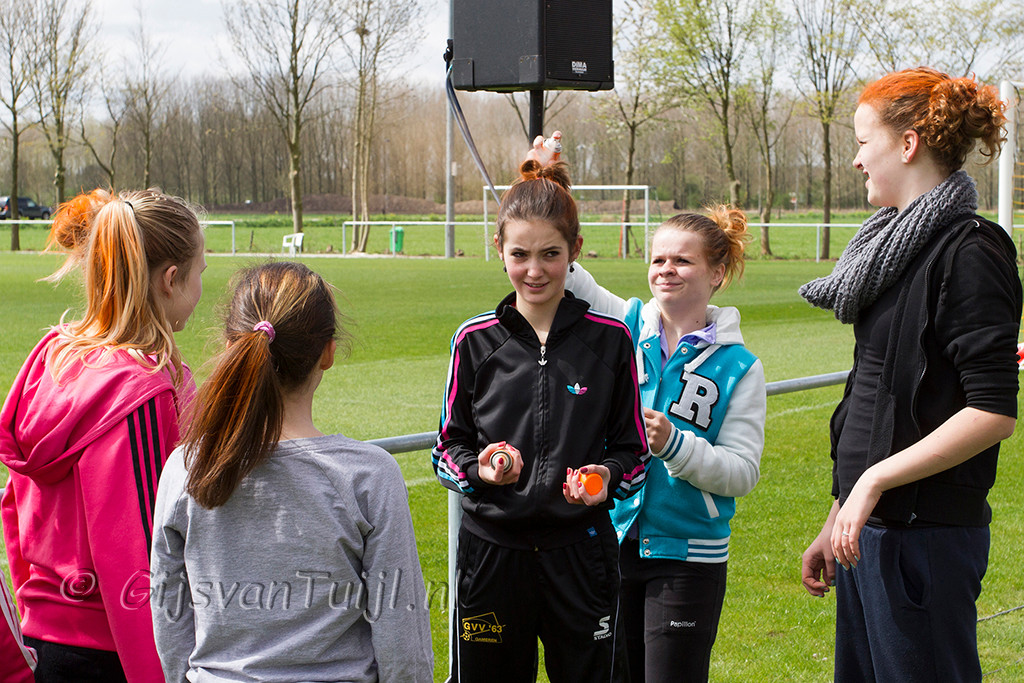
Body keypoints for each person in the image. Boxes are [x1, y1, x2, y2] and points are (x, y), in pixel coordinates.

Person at [799, 67, 1021, 682]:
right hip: (869, 528)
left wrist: (874, 481)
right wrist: (842, 512)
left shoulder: (971, 251)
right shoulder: (888, 250)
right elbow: (876, 396)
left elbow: (993, 412)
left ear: (908, 144)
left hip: (925, 538)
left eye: (862, 142)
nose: (855, 160)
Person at [150, 261, 433, 682]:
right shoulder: (368, 477)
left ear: (230, 345)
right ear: (328, 353)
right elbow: (402, 636)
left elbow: (168, 616)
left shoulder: (187, 467)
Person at [432, 159, 649, 682]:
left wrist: (605, 478)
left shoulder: (611, 340)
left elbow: (634, 453)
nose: (534, 270)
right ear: (499, 249)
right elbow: (446, 449)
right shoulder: (474, 340)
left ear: (575, 250)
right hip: (491, 555)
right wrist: (482, 470)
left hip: (582, 554)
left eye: (550, 254)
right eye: (520, 254)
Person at [0, 188, 205, 682]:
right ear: (170, 280)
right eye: (200, 272)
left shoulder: (52, 360)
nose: (202, 287)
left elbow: (16, 510)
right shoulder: (140, 392)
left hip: (44, 640)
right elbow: (138, 558)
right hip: (115, 654)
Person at [564, 203, 767, 682]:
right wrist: (548, 196)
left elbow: (742, 472)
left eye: (682, 260)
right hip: (610, 544)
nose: (666, 269)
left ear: (716, 273)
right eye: (658, 259)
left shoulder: (740, 367)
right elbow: (571, 277)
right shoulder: (625, 325)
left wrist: (675, 445)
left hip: (688, 558)